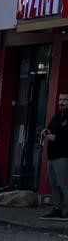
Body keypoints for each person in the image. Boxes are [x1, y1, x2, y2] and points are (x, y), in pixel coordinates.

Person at [44, 91, 68, 219]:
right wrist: (46, 132)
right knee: (54, 184)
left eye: (64, 100)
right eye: (60, 100)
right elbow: (49, 129)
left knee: (64, 184)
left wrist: (54, 137)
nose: (61, 103)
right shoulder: (58, 116)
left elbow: (63, 136)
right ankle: (57, 209)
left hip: (63, 156)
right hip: (52, 156)